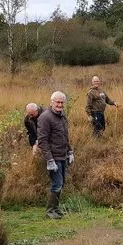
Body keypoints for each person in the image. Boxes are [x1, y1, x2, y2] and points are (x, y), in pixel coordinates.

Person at [37, 91, 73, 219]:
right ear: (51, 102)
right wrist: (49, 160)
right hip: (53, 157)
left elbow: (65, 136)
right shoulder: (45, 117)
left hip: (62, 155)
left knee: (61, 183)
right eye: (57, 102)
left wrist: (70, 151)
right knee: (56, 183)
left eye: (62, 102)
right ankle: (49, 211)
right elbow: (42, 141)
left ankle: (56, 209)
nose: (60, 104)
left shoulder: (62, 115)